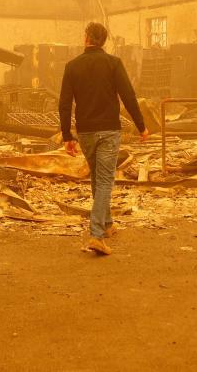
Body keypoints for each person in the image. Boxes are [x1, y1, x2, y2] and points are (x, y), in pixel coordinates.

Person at [59, 22, 148, 255]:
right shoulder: (113, 64)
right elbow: (128, 96)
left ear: (87, 37)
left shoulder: (72, 66)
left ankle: (107, 225)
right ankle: (96, 234)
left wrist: (68, 135)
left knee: (98, 180)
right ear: (104, 41)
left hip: (86, 132)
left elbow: (65, 104)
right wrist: (141, 126)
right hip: (109, 130)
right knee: (105, 181)